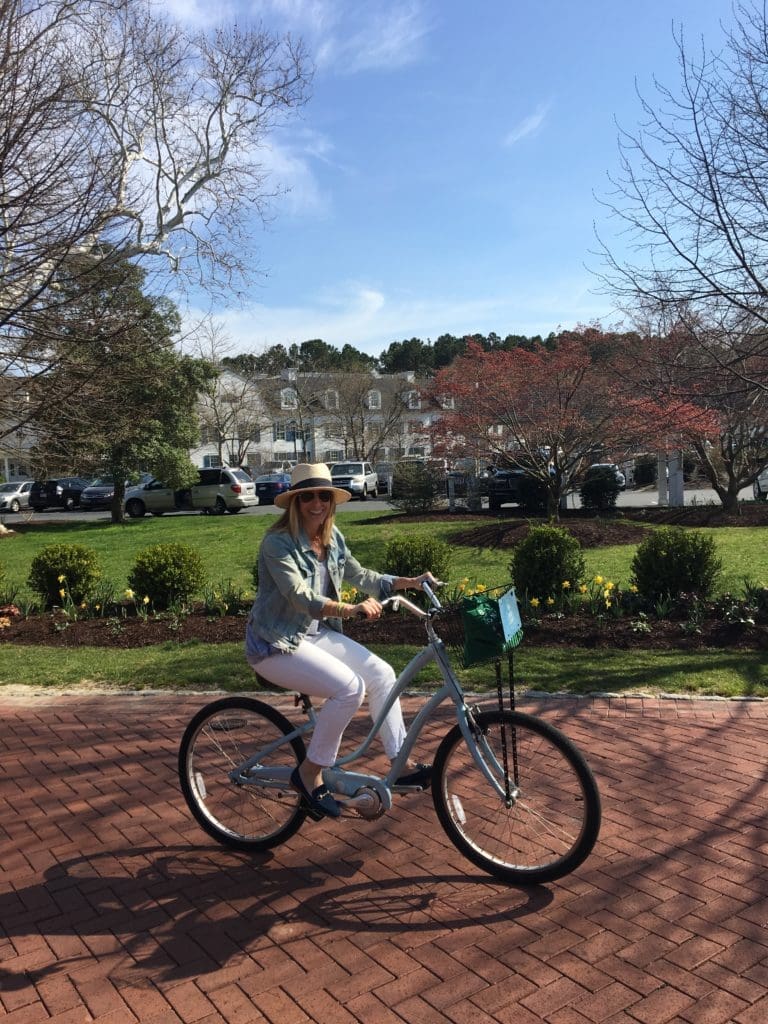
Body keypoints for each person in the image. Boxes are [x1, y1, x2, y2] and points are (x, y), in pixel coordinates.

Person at [245, 462, 436, 820]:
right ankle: (309, 773)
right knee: (350, 689)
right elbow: (298, 595)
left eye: (323, 496)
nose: (316, 504)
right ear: (295, 502)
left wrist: (410, 581)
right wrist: (349, 609)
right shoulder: (277, 543)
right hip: (275, 643)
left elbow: (362, 575)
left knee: (381, 673)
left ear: (331, 502)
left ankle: (399, 760)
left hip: (315, 636)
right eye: (307, 497)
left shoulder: (332, 539)